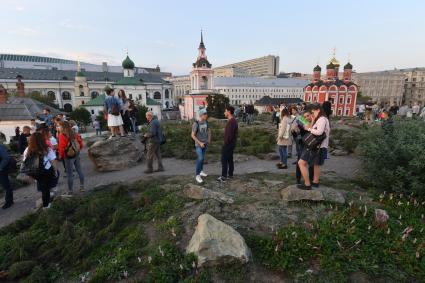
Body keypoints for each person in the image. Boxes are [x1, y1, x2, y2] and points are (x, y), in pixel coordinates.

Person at [298, 103, 330, 190]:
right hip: (318, 145)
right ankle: (315, 182)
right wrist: (312, 121)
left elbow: (319, 132)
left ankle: (307, 184)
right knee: (316, 164)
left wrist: (309, 129)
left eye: (313, 112)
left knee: (301, 163)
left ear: (318, 110)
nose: (312, 114)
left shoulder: (322, 119)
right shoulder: (321, 119)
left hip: (316, 145)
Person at [23, 132, 57, 208]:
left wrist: (30, 175)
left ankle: (46, 197)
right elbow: (53, 161)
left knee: (42, 185)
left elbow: (25, 161)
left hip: (34, 172)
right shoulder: (46, 148)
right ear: (42, 140)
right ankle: (46, 205)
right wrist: (55, 170)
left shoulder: (27, 150)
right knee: (46, 189)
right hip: (46, 171)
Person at [58, 121, 85, 195]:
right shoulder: (74, 133)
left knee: (69, 174)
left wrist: (61, 156)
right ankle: (82, 187)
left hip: (68, 156)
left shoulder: (62, 135)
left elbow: (61, 147)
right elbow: (80, 142)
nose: (58, 127)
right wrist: (78, 150)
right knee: (79, 170)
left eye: (59, 126)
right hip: (76, 153)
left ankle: (70, 191)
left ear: (62, 127)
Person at [291, 111, 314, 185]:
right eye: (305, 116)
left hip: (311, 145)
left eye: (308, 115)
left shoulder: (316, 122)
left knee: (311, 162)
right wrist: (295, 131)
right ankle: (298, 179)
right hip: (302, 144)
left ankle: (310, 179)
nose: (307, 118)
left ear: (311, 115)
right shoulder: (302, 121)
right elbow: (297, 132)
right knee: (300, 161)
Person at [217, 106, 238, 182]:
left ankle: (223, 177)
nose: (224, 112)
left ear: (229, 112)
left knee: (224, 160)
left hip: (228, 144)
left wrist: (225, 143)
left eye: (225, 111)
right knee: (229, 159)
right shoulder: (232, 121)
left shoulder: (232, 122)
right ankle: (230, 175)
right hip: (231, 144)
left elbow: (229, 135)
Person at [191, 108, 211, 183]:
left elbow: (209, 130)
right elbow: (192, 135)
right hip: (198, 144)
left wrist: (209, 139)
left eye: (206, 114)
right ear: (201, 115)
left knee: (202, 158)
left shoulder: (206, 122)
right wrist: (200, 143)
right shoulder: (196, 123)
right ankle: (197, 175)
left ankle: (201, 171)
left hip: (205, 143)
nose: (206, 115)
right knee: (200, 158)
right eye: (205, 114)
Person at [0, 143, 13, 209]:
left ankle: (9, 201)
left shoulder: (0, 147)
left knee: (6, 185)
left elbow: (6, 158)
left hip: (2, 170)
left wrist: (0, 167)